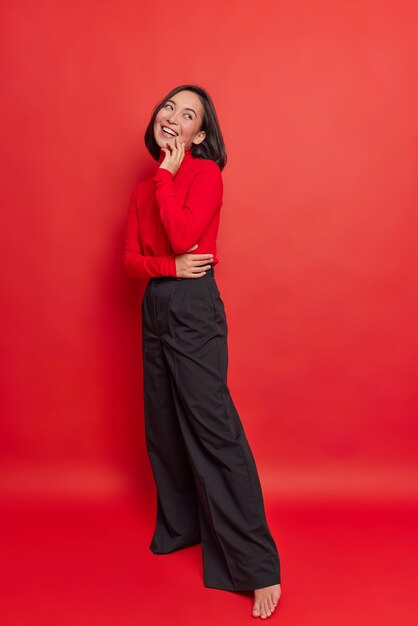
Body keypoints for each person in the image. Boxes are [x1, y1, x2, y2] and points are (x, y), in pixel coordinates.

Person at [123, 84, 282, 619]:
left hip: (193, 310)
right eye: (169, 106)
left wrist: (168, 179)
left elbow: (185, 233)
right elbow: (130, 260)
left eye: (188, 114)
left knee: (213, 430)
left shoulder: (203, 175)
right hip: (157, 304)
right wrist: (165, 268)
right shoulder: (143, 189)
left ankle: (257, 565)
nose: (174, 116)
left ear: (200, 134)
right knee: (163, 428)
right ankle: (183, 527)